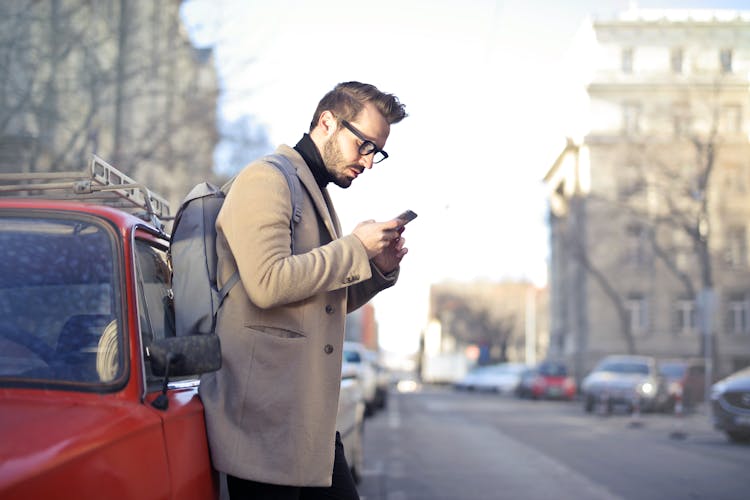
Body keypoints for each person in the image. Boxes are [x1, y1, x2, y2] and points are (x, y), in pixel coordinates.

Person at [199, 81, 409, 499]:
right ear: (327, 122)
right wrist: (353, 248)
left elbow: (318, 301)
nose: (368, 163)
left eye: (377, 153)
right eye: (364, 145)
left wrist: (375, 270)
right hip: (263, 425)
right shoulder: (267, 179)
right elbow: (268, 282)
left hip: (303, 422)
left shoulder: (312, 193)